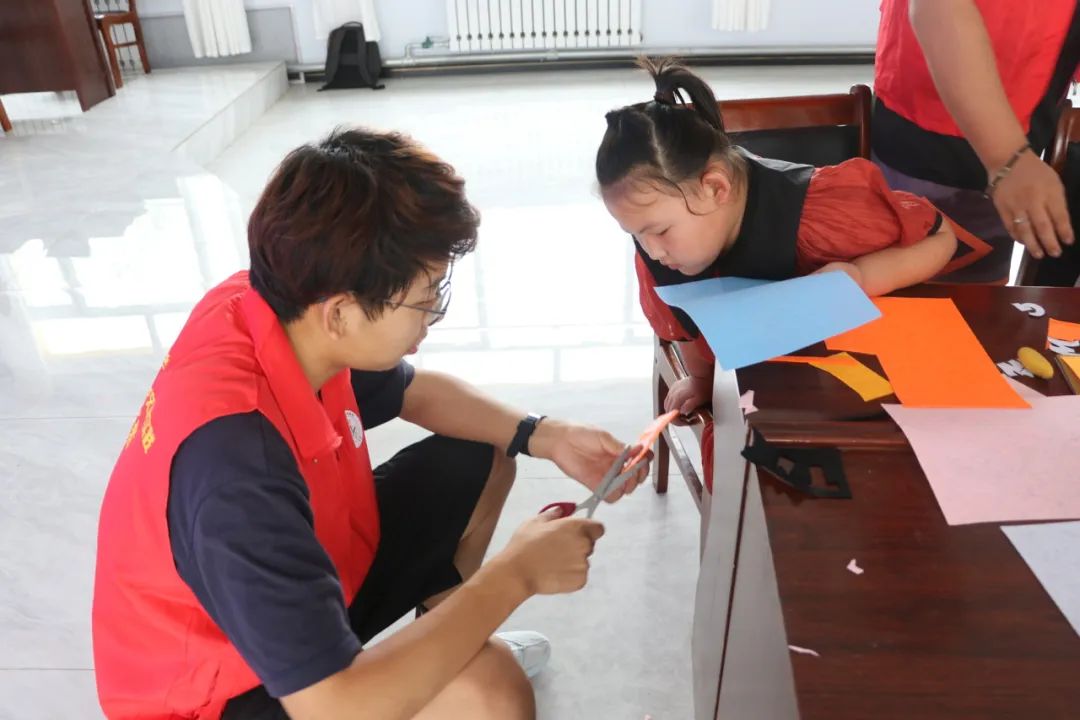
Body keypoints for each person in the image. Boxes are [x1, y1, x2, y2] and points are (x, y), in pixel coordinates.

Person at [91, 128, 650, 720]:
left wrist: (545, 434)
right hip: (221, 691)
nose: (432, 317)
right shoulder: (239, 471)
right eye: (425, 298)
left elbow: (414, 392)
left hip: (304, 574)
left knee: (480, 456)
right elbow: (332, 707)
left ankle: (444, 651)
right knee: (491, 693)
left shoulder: (279, 303)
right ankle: (442, 677)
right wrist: (515, 576)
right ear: (340, 313)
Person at [595, 57, 985, 490]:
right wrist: (703, 381)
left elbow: (939, 236)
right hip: (758, 401)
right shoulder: (661, 249)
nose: (651, 250)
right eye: (635, 233)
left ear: (716, 188)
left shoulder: (822, 213)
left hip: (850, 383)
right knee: (749, 490)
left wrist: (861, 276)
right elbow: (686, 325)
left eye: (660, 231)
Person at [874, 0, 1080, 282]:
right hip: (937, 134)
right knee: (911, 291)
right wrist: (1008, 158)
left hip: (1027, 119)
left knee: (982, 296)